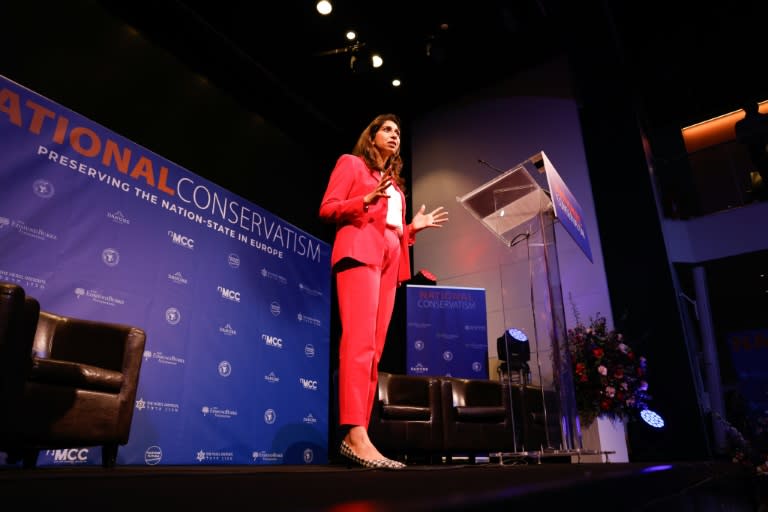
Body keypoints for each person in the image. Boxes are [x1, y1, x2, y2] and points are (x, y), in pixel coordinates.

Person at [318, 113, 448, 469]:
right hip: (359, 253)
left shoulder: (397, 188)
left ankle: (363, 435)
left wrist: (412, 228)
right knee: (358, 344)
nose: (394, 136)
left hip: (390, 262)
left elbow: (390, 231)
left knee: (374, 351)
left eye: (398, 132)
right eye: (387, 130)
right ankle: (353, 433)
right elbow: (327, 208)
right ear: (372, 136)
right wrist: (363, 199)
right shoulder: (352, 165)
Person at [734, 99, 768, 200]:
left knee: (764, 173)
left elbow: (741, 140)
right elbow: (741, 139)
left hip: (756, 153)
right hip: (757, 154)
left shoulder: (741, 124)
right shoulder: (764, 119)